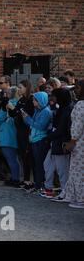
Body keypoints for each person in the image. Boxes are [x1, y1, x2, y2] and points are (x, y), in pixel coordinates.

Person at [53, 80, 84, 209]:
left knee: (77, 171)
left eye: (77, 88)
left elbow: (77, 126)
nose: (75, 91)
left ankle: (80, 198)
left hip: (80, 143)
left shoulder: (81, 105)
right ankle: (71, 195)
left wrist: (72, 141)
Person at [42, 88, 74, 198]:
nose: (52, 98)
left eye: (54, 95)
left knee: (62, 169)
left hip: (61, 142)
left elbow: (62, 129)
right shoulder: (61, 109)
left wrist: (49, 136)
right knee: (48, 165)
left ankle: (66, 192)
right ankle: (49, 188)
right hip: (55, 141)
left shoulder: (67, 110)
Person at [8, 80, 35, 191]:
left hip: (26, 131)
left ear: (26, 87)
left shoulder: (30, 100)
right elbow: (14, 114)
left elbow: (26, 114)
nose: (19, 89)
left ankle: (29, 180)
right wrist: (11, 109)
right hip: (19, 130)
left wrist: (14, 109)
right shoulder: (21, 100)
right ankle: (25, 179)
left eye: (21, 87)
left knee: (27, 155)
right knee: (22, 155)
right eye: (18, 87)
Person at [22, 91, 52, 193]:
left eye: (35, 100)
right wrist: (25, 117)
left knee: (40, 164)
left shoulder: (46, 112)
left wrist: (28, 118)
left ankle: (40, 185)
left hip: (41, 140)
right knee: (35, 164)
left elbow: (40, 126)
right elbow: (32, 124)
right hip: (34, 139)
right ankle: (37, 184)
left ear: (40, 101)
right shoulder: (37, 110)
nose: (33, 101)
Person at [0, 86, 20, 187]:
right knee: (13, 158)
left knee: (10, 158)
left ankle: (15, 178)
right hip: (12, 132)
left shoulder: (9, 104)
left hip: (6, 132)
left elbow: (0, 116)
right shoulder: (18, 103)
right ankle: (14, 177)